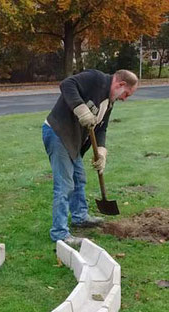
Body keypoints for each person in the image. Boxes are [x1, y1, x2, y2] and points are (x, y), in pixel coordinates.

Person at [42, 69, 138, 247]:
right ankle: (60, 233)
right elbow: (67, 84)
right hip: (58, 133)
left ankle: (79, 217)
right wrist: (81, 109)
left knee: (79, 178)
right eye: (126, 94)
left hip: (74, 140)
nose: (125, 98)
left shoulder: (109, 103)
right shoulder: (96, 78)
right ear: (120, 84)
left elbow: (102, 129)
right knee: (65, 185)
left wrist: (101, 151)